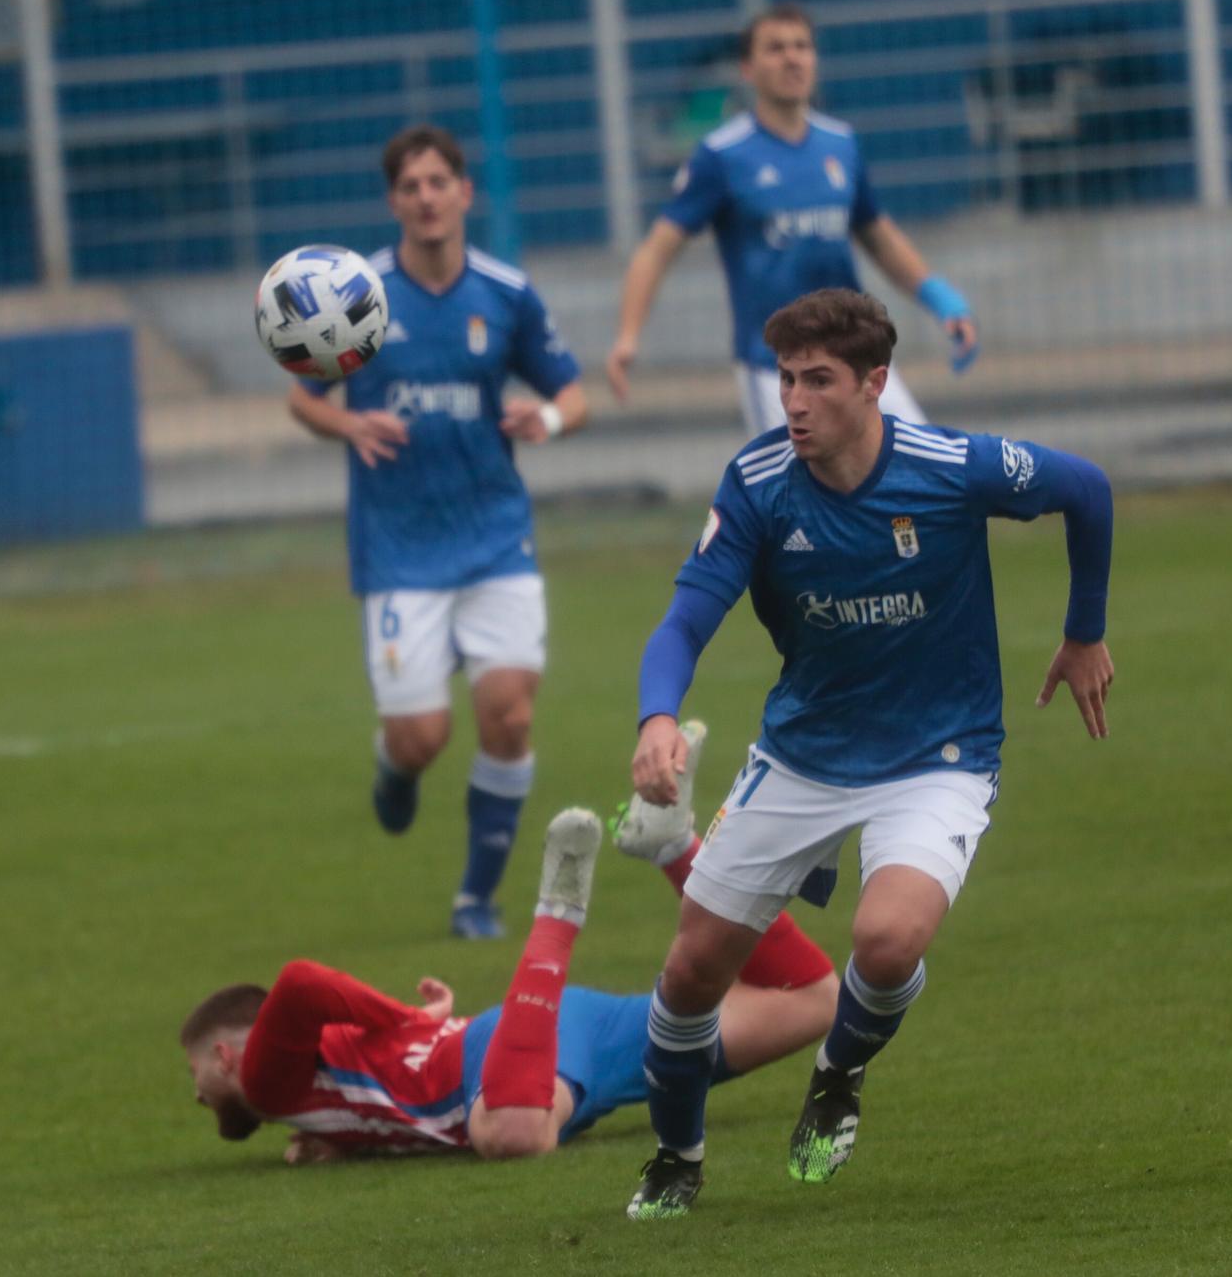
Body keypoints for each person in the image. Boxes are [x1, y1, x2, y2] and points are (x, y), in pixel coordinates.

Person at [619, 290, 1114, 1219]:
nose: (793, 402)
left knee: (886, 941)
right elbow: (688, 614)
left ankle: (837, 1074)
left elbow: (1085, 487)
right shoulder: (758, 482)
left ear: (875, 384)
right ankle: (676, 1155)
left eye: (817, 381)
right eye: (784, 380)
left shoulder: (953, 467)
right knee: (690, 973)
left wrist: (1083, 631)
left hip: (941, 752)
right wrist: (656, 716)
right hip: (804, 753)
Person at [179, 731, 841, 1164]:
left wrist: (407, 1019)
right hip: (557, 1047)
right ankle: (672, 845)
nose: (199, 1095)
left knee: (513, 1135)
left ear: (225, 1053)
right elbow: (361, 1099)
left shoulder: (265, 1084)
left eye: (195, 1075)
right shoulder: (312, 1087)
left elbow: (297, 981)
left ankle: (557, 911)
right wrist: (334, 1140)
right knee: (815, 1001)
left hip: (496, 1060)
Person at [286, 124, 597, 939]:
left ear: (465, 192)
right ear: (394, 201)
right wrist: (346, 428)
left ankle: (477, 900)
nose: (426, 198)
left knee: (511, 715)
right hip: (398, 547)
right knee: (424, 736)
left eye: (439, 182)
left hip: (496, 536)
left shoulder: (505, 291)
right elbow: (303, 397)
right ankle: (398, 769)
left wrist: (551, 419)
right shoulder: (358, 293)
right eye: (410, 185)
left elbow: (575, 392)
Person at [605, 3, 980, 434]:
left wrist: (942, 299)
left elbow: (878, 235)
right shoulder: (723, 156)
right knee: (801, 498)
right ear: (747, 68)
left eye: (802, 46)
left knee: (922, 474)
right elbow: (657, 249)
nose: (792, 57)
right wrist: (628, 336)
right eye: (776, 48)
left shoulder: (840, 145)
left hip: (856, 358)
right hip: (777, 371)